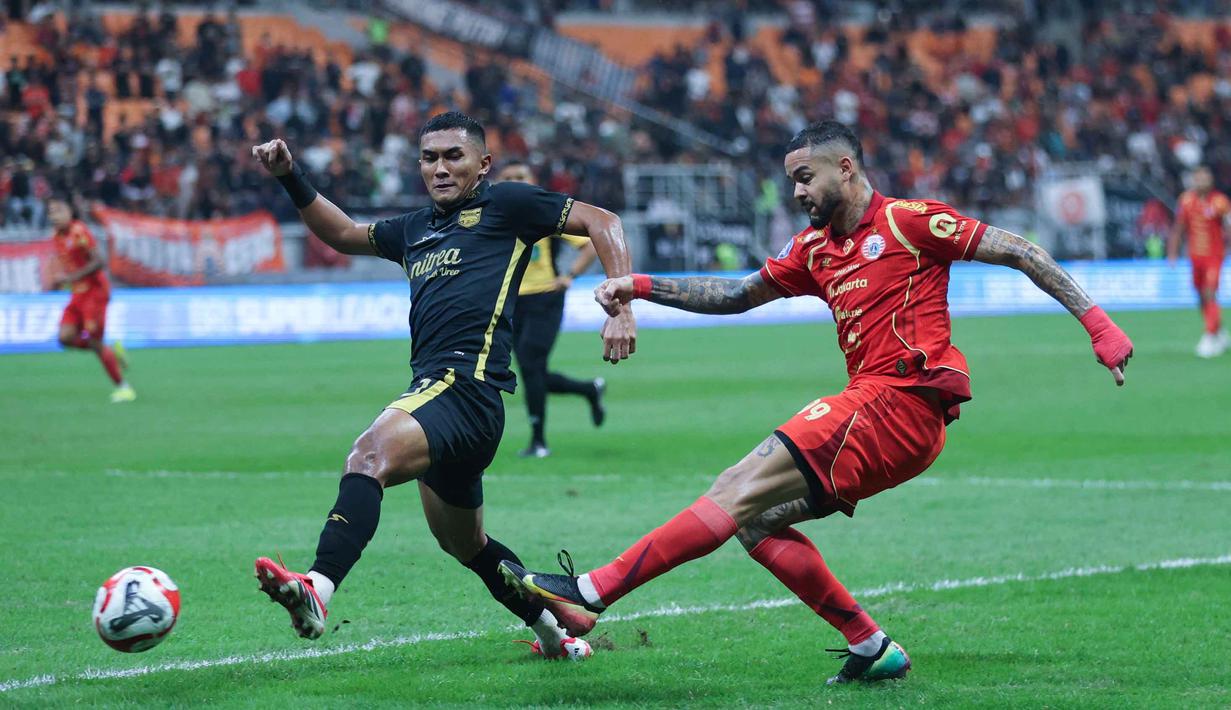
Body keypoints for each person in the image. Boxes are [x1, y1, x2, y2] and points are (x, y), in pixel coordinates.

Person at [499, 121, 1134, 682]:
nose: (797, 192)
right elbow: (737, 295)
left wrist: (1098, 324)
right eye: (793, 182)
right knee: (755, 520)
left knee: (738, 483)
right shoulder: (815, 250)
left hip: (902, 400)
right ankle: (870, 644)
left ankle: (592, 591)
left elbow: (1019, 250)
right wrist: (639, 285)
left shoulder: (909, 222)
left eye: (805, 178)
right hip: (881, 415)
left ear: (846, 168)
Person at [248, 111, 637, 660]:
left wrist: (620, 305)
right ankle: (557, 635)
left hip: (463, 387)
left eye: (454, 156)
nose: (440, 168)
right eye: (429, 158)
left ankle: (318, 585)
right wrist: (290, 175)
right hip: (451, 401)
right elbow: (340, 233)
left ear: (483, 164)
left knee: (367, 456)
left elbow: (605, 221)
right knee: (465, 543)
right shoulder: (413, 229)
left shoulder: (507, 205)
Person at [497, 160, 607, 458]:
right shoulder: (494, 216)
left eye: (521, 176)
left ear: (532, 179)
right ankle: (589, 390)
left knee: (530, 362)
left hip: (545, 297)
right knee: (532, 372)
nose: (517, 181)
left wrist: (569, 276)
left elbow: (590, 244)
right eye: (509, 178)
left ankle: (538, 441)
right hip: (510, 302)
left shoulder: (544, 213)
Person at [49, 198, 134, 403]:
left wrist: (70, 278)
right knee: (65, 338)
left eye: (59, 210)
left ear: (70, 212)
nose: (54, 216)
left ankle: (124, 388)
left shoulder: (79, 231)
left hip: (95, 294)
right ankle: (111, 352)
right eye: (51, 212)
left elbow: (99, 261)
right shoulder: (56, 238)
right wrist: (63, 282)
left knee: (95, 342)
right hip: (77, 294)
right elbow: (72, 265)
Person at [1168, 166, 1230, 358]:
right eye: (1199, 179)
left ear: (1211, 181)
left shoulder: (1220, 201)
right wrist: (1172, 252)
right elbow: (1179, 227)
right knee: (1201, 297)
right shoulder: (1186, 200)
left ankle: (1210, 335)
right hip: (1195, 257)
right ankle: (1218, 332)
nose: (1202, 182)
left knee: (1210, 293)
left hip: (1214, 256)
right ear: (1194, 181)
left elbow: (1228, 226)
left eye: (1205, 178)